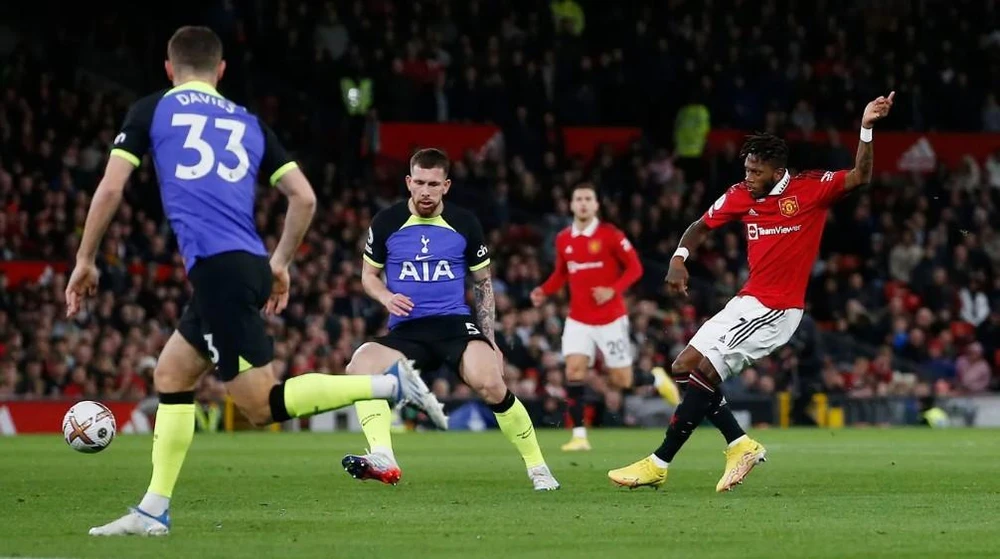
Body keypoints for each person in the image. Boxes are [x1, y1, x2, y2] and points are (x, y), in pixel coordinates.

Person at [69, 27, 446, 537]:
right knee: (172, 376)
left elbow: (112, 186)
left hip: (219, 271)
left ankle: (390, 383)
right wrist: (280, 263)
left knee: (259, 404)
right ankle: (153, 510)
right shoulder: (247, 121)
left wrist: (86, 259)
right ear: (221, 71)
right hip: (243, 264)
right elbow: (305, 198)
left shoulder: (152, 109)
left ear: (169, 68)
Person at [608, 92, 896, 492]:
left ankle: (659, 462)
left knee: (706, 370)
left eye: (756, 171)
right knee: (684, 366)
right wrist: (679, 257)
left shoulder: (810, 190)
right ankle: (740, 443)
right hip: (746, 300)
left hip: (777, 309)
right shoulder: (741, 194)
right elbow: (700, 225)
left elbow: (860, 176)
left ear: (779, 171)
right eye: (746, 168)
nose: (748, 176)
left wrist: (865, 128)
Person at [342, 148, 560, 491]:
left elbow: (483, 284)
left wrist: (490, 341)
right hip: (407, 330)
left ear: (446, 185)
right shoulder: (386, 222)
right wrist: (385, 296)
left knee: (490, 383)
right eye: (419, 183)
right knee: (359, 368)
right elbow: (368, 275)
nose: (425, 191)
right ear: (408, 182)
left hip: (454, 326)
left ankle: (539, 468)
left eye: (433, 184)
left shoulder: (464, 223)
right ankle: (383, 457)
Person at [530, 183, 679, 452]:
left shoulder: (610, 235)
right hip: (578, 319)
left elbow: (635, 268)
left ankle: (655, 378)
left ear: (596, 205)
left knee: (622, 380)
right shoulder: (564, 238)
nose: (583, 203)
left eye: (588, 199)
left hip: (611, 319)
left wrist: (613, 290)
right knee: (573, 371)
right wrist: (544, 290)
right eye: (579, 199)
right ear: (572, 205)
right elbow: (562, 274)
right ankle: (578, 436)